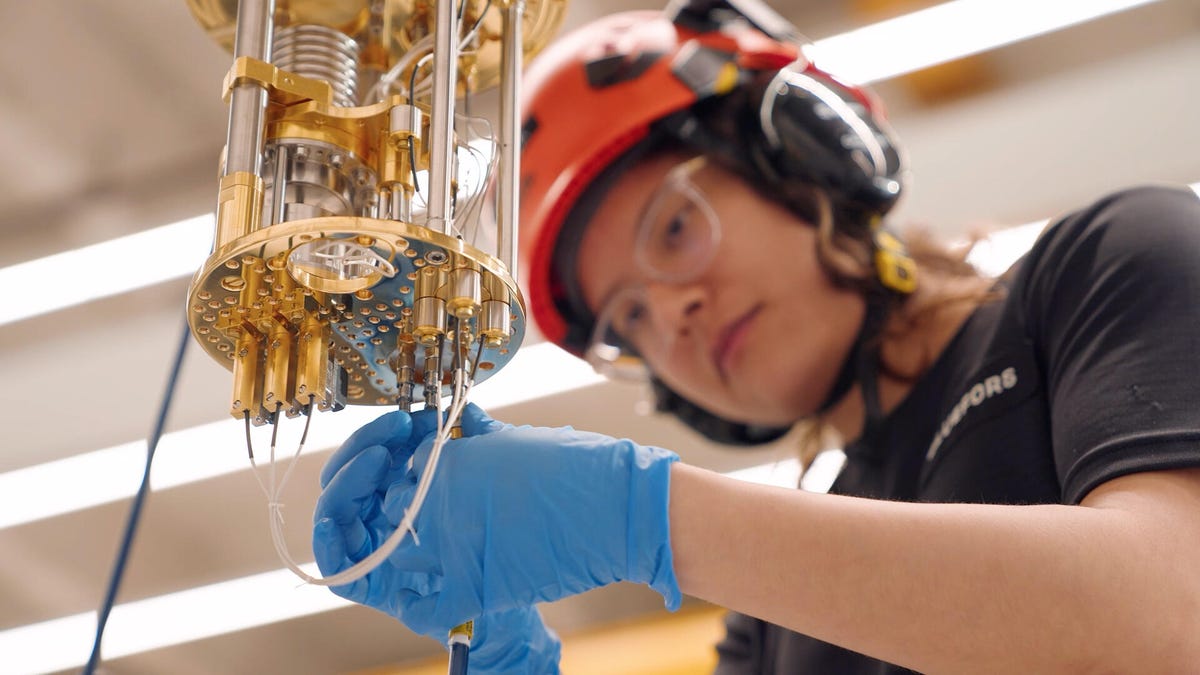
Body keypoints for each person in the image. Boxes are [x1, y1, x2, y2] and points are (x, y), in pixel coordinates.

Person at [312, 1, 1200, 672]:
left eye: (672, 229)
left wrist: (641, 516)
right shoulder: (774, 622)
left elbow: (1170, 611)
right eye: (628, 319)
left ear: (806, 155)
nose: (673, 317)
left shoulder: (1105, 266)